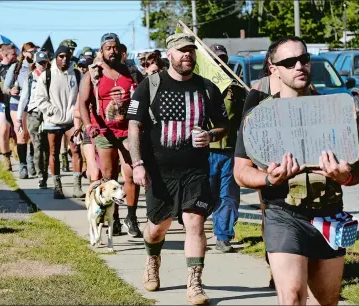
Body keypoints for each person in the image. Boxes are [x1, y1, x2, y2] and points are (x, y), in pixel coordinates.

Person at [234, 36, 359, 306]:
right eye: (289, 62)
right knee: (292, 297)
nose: (299, 66)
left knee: (327, 301)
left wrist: (345, 176)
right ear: (273, 68)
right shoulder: (259, 117)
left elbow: (357, 172)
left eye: (304, 59)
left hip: (329, 213)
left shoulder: (335, 111)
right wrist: (268, 178)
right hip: (283, 214)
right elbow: (241, 172)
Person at [126, 33, 228, 304]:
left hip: (195, 169)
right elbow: (134, 127)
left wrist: (211, 136)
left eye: (191, 51)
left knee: (195, 224)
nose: (188, 55)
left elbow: (222, 126)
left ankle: (194, 283)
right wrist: (138, 164)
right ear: (168, 54)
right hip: (159, 170)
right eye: (182, 51)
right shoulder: (150, 86)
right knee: (158, 228)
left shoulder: (207, 88)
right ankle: (152, 259)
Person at [79, 33, 143, 237]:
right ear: (102, 51)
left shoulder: (131, 71)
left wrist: (140, 118)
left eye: (115, 47)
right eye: (108, 48)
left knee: (132, 173)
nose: (112, 51)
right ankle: (113, 219)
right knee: (109, 177)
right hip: (103, 131)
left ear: (120, 49)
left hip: (127, 130)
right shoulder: (93, 74)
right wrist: (88, 126)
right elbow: (83, 102)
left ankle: (131, 217)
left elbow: (143, 95)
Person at [207, 44, 246, 253]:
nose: (220, 63)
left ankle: (223, 236)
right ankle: (195, 226)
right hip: (206, 150)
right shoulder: (200, 86)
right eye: (215, 59)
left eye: (223, 58)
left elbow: (242, 118)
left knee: (228, 195)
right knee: (208, 194)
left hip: (230, 149)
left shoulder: (236, 87)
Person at [35, 45, 85, 199]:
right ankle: (57, 187)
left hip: (71, 120)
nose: (64, 59)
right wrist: (52, 111)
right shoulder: (47, 75)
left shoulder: (76, 74)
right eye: (61, 56)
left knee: (76, 151)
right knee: (53, 152)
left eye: (67, 57)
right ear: (55, 57)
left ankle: (77, 186)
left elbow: (82, 97)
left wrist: (77, 114)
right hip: (53, 121)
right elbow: (40, 99)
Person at [3, 42, 38, 179]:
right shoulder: (16, 68)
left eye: (35, 51)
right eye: (31, 51)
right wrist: (11, 90)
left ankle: (31, 159)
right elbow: (5, 87)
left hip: (33, 105)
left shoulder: (38, 67)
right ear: (24, 53)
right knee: (21, 134)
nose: (33, 54)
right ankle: (23, 165)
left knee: (33, 135)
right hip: (17, 104)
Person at [18, 51, 50, 188]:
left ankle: (46, 171)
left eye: (45, 63)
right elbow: (23, 98)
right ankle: (40, 174)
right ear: (35, 63)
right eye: (40, 63)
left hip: (48, 113)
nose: (42, 65)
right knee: (37, 145)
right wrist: (19, 118)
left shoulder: (52, 76)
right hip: (34, 114)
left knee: (48, 146)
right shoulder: (30, 78)